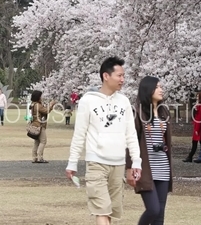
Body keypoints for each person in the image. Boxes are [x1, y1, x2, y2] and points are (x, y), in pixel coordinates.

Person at [65, 56, 142, 225]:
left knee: (112, 212)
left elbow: (131, 134)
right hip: (96, 163)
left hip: (118, 163)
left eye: (123, 76)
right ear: (106, 76)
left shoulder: (124, 101)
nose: (122, 79)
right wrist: (72, 163)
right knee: (101, 208)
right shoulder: (88, 101)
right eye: (119, 75)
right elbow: (79, 134)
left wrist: (136, 161)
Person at [125, 76, 173, 225]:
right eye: (157, 87)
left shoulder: (164, 111)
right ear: (148, 89)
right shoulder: (137, 112)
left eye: (161, 86)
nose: (161, 89)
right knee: (153, 209)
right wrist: (129, 167)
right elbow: (130, 141)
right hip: (146, 168)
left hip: (163, 167)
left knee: (160, 216)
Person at [29, 90, 57, 163]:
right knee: (43, 141)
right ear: (38, 97)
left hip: (34, 124)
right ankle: (39, 157)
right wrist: (51, 105)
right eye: (40, 96)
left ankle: (34, 157)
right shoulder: (38, 105)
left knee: (37, 142)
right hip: (39, 125)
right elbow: (46, 111)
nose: (42, 97)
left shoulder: (33, 104)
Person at [183, 91, 201, 162]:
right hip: (198, 125)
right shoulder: (200, 104)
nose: (197, 98)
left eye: (198, 96)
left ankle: (191, 157)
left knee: (197, 142)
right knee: (199, 142)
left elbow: (200, 117)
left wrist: (197, 129)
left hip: (199, 126)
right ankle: (195, 156)